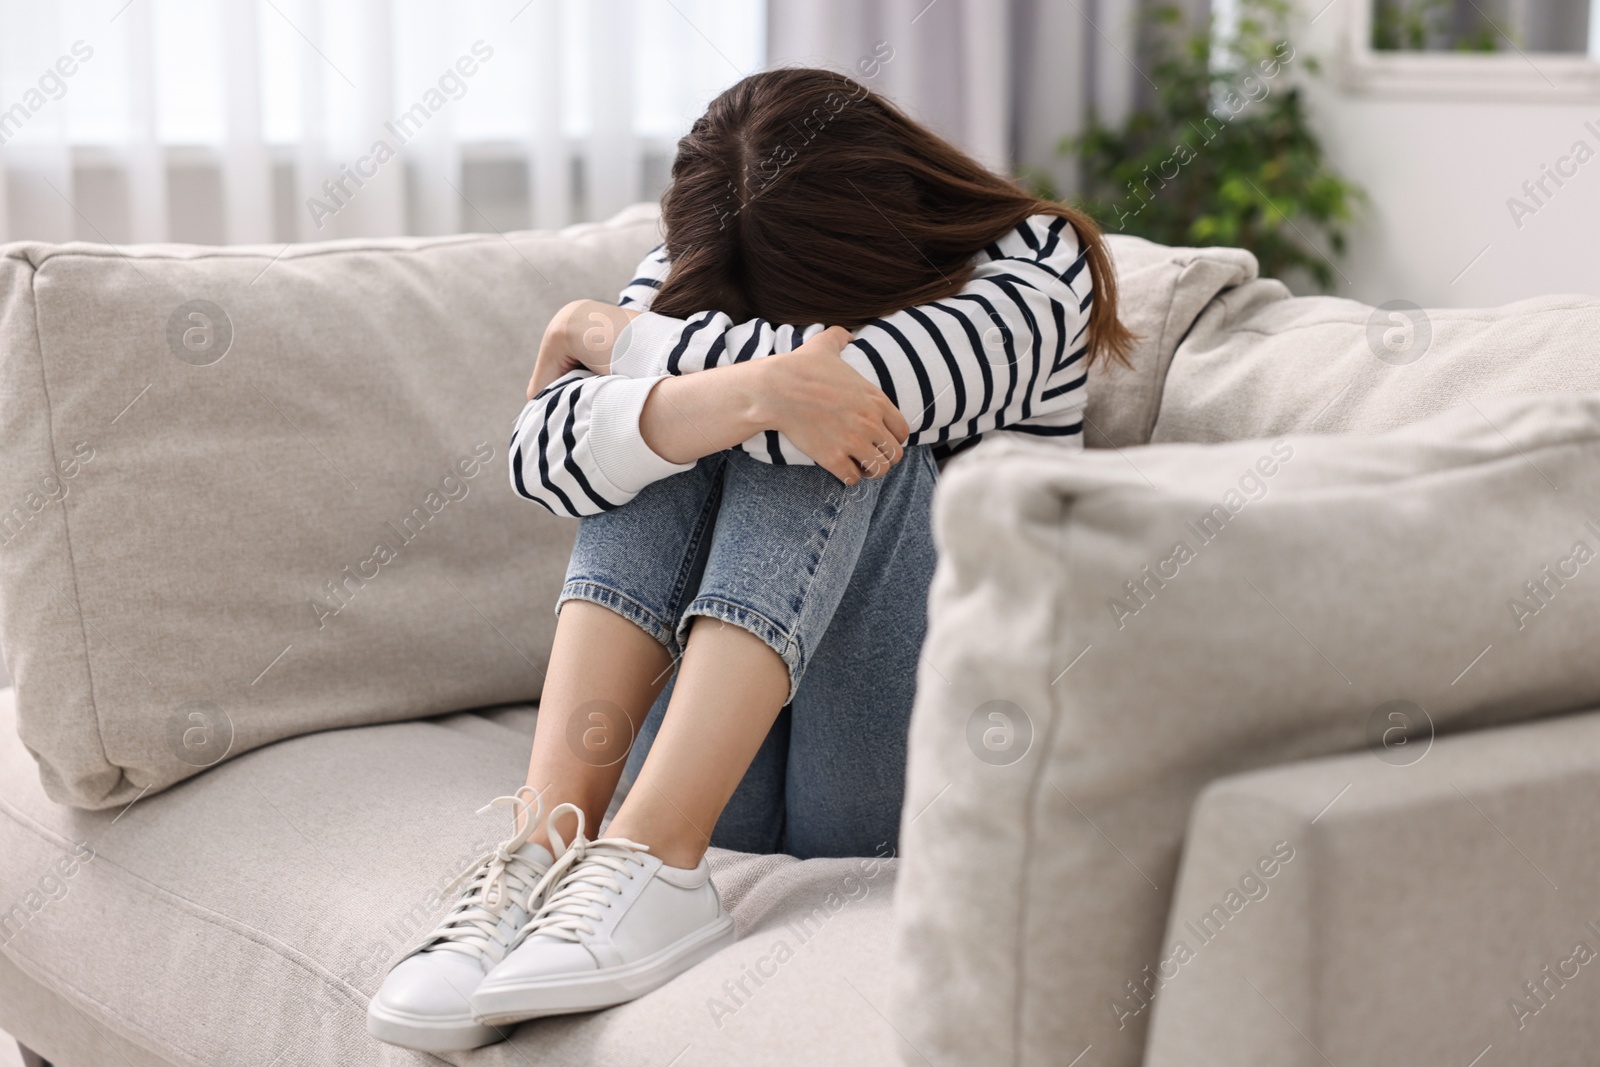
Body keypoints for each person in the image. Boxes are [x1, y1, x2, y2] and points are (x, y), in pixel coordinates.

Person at [367, 65, 1130, 1051]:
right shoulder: (708, 254)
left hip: (911, 763)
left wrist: (611, 336)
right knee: (684, 430)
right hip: (723, 757)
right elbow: (542, 453)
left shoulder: (1036, 273)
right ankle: (541, 844)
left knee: (830, 428)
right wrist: (714, 392)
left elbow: (845, 393)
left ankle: (653, 853)